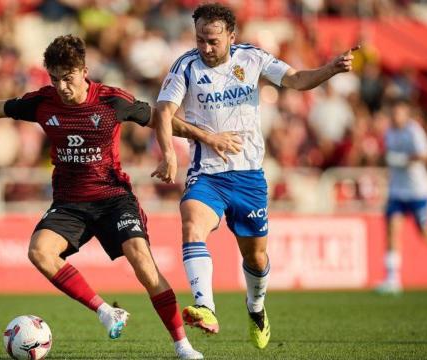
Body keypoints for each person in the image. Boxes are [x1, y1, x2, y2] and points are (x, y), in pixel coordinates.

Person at [0, 35, 240, 360]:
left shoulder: (112, 100)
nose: (61, 86)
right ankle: (105, 312)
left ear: (83, 71)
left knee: (142, 261)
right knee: (39, 252)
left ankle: (183, 347)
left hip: (114, 198)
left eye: (67, 78)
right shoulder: (42, 102)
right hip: (70, 203)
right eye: (54, 79)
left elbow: (160, 118)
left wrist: (205, 138)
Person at [151, 2, 358, 349]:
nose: (206, 47)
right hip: (208, 174)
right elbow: (163, 113)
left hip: (249, 177)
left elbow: (295, 79)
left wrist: (331, 69)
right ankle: (205, 306)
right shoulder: (185, 66)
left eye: (213, 40)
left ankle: (256, 306)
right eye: (201, 39)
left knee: (256, 258)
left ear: (232, 36)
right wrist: (176, 150)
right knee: (191, 222)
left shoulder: (252, 58)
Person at [376, 100, 427, 294]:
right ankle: (393, 279)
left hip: (417, 190)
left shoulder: (414, 131)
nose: (395, 117)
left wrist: (404, 159)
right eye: (393, 113)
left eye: (399, 113)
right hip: (397, 190)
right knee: (392, 229)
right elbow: (386, 156)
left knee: (423, 230)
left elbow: (426, 155)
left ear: (406, 114)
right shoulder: (389, 132)